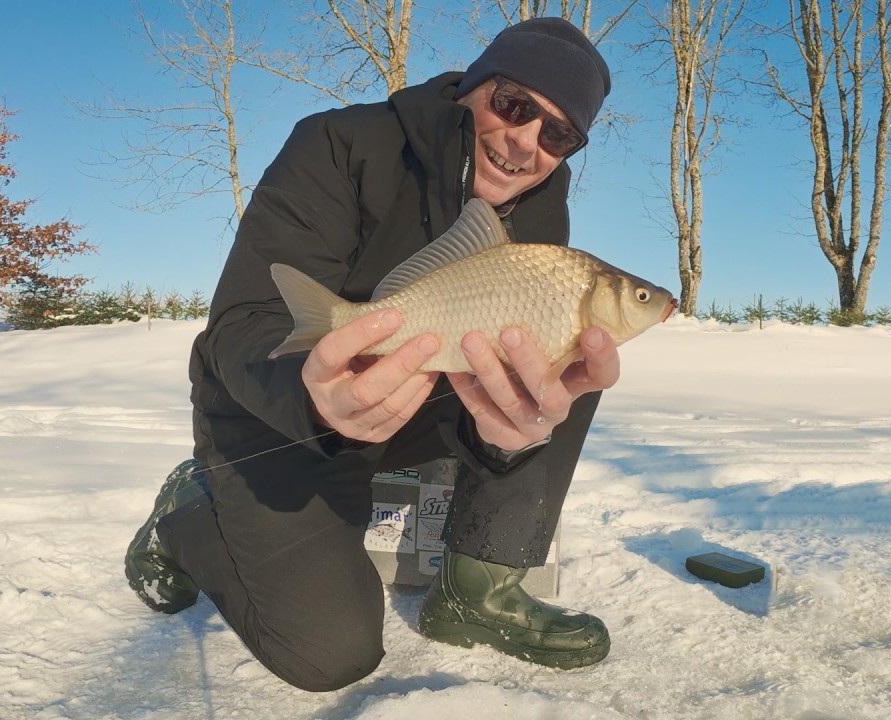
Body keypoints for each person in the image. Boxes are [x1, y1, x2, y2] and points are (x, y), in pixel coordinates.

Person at [125, 17, 618, 692]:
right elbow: (243, 322)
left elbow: (506, 378)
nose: (526, 141)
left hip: (418, 405)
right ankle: (187, 514)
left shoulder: (538, 218)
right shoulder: (340, 143)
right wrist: (315, 398)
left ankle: (480, 588)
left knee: (574, 362)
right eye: (515, 105)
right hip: (275, 417)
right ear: (472, 89)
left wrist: (509, 442)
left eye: (558, 135)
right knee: (330, 656)